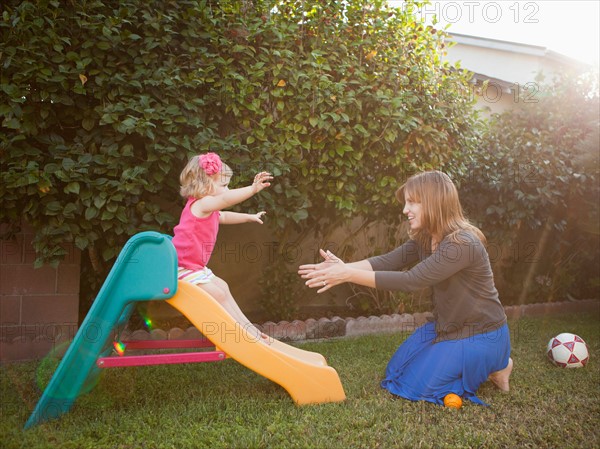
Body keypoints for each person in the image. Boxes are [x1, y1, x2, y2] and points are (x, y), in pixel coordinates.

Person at [298, 170, 513, 406]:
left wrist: (347, 274)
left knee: (414, 387)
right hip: (448, 328)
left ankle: (499, 365)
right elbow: (387, 261)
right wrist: (342, 267)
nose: (405, 210)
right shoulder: (425, 238)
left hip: (481, 334)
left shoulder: (462, 243)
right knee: (395, 372)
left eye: (412, 202)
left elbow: (412, 280)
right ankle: (473, 364)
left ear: (433, 201)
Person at [172, 152, 273, 340]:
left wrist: (248, 217)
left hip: (194, 267)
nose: (227, 190)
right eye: (223, 185)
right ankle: (240, 333)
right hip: (181, 268)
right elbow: (226, 201)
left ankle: (249, 329)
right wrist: (252, 189)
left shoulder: (208, 208)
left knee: (223, 287)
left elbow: (223, 216)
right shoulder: (202, 204)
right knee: (217, 294)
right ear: (204, 184)